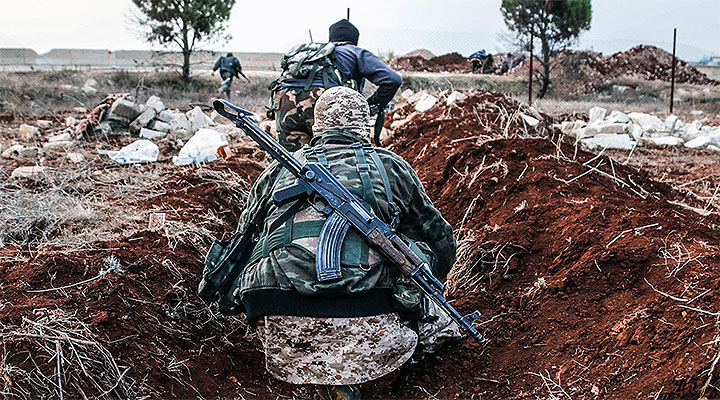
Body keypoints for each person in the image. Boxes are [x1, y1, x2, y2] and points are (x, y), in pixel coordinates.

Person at [234, 86, 459, 399]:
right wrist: (433, 283)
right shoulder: (391, 167)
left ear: (317, 125)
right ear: (365, 126)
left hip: (282, 326)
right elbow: (439, 239)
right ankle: (378, 375)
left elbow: (243, 237)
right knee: (439, 309)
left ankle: (314, 370)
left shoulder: (278, 170)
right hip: (371, 330)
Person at [270, 19, 403, 151]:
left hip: (284, 100)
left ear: (331, 37)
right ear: (355, 39)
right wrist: (367, 107)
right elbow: (393, 79)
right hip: (323, 100)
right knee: (334, 159)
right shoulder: (355, 52)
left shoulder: (314, 54)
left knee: (292, 162)